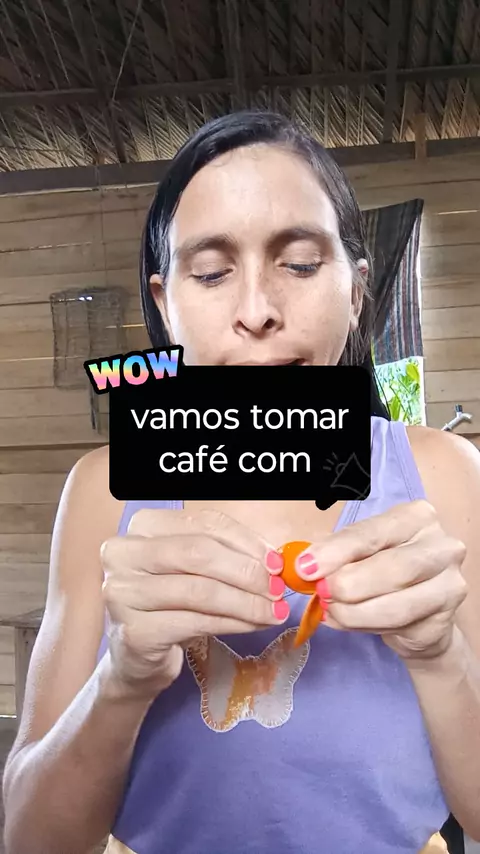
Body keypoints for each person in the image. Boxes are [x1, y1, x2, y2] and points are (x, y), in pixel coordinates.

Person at [2, 111, 480, 854]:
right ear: (165, 304)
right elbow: (29, 839)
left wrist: (440, 655)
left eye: (300, 264)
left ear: (357, 291)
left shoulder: (444, 476)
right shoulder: (104, 490)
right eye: (211, 273)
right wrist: (122, 679)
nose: (256, 311)